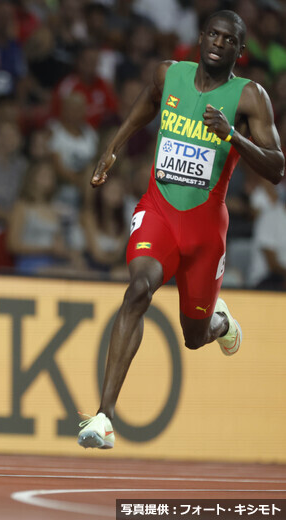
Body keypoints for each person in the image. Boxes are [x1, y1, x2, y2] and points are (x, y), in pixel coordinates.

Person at [77, 10, 284, 450]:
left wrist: (232, 136)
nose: (218, 42)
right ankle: (104, 416)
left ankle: (220, 323)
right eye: (212, 33)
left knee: (194, 337)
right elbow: (147, 103)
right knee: (139, 289)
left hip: (206, 231)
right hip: (159, 211)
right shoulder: (169, 74)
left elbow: (277, 168)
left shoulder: (249, 98)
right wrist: (112, 148)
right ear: (201, 37)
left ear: (239, 51)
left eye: (229, 39)